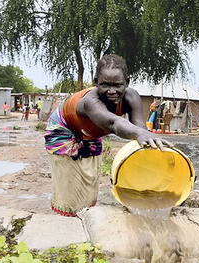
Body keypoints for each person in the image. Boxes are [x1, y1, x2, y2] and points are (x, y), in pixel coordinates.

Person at [44, 54, 172, 217]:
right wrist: (140, 132)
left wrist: (161, 163)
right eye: (105, 85)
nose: (112, 91)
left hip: (89, 132)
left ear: (127, 82)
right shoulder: (90, 102)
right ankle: (68, 224)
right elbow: (113, 123)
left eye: (118, 85)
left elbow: (139, 130)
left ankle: (85, 216)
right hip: (63, 129)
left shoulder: (131, 97)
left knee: (89, 181)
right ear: (96, 82)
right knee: (71, 188)